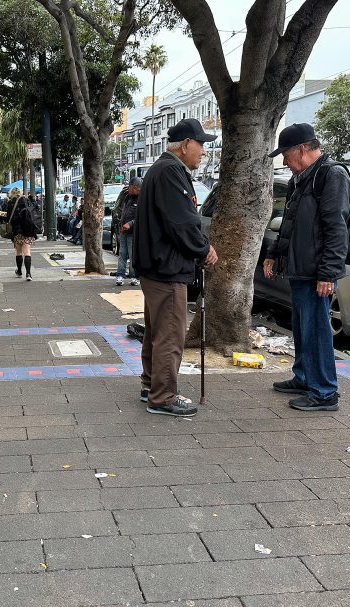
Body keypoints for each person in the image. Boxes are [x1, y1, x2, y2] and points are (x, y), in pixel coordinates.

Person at [263, 122, 350, 412]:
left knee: (316, 330)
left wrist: (328, 272)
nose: (285, 162)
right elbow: (287, 223)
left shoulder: (331, 175)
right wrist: (274, 253)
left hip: (317, 270)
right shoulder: (300, 180)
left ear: (301, 149)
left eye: (286, 156)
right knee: (302, 328)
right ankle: (303, 377)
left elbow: (336, 229)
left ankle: (325, 392)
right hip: (299, 268)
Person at [133, 118, 218, 417]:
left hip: (157, 266)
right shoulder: (170, 171)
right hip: (166, 268)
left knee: (157, 331)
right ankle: (163, 395)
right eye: (201, 145)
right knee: (169, 333)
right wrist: (203, 248)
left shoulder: (162, 169)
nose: (203, 153)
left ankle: (151, 385)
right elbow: (182, 222)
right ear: (185, 145)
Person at [6, 187, 37, 281]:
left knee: (18, 251)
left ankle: (19, 271)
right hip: (28, 230)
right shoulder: (26, 200)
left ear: (11, 193)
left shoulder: (10, 203)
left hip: (17, 231)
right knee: (27, 252)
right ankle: (28, 274)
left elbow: (8, 218)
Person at [115, 177, 141, 286]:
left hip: (133, 232)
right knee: (122, 253)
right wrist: (121, 225)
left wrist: (130, 224)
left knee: (132, 255)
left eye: (130, 188)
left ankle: (133, 276)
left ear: (135, 188)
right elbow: (123, 212)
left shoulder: (141, 199)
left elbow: (141, 217)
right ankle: (120, 274)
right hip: (124, 231)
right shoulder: (127, 197)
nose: (128, 190)